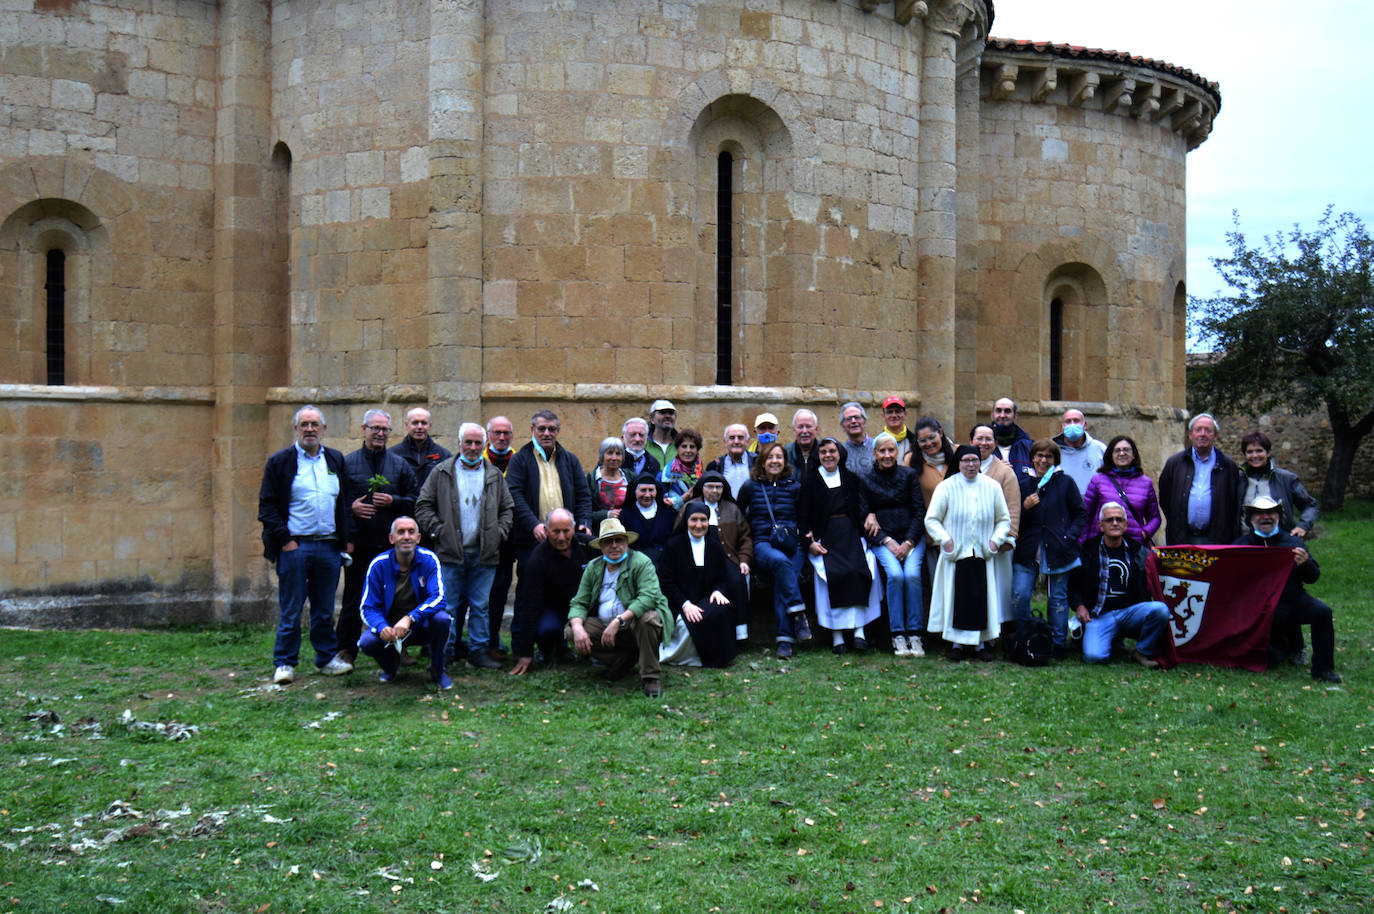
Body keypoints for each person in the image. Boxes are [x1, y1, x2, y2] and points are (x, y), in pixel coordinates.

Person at [257, 405, 355, 684]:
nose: (309, 429)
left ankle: (325, 659)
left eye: (315, 424)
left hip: (328, 548)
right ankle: (285, 663)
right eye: (304, 424)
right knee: (291, 608)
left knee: (324, 609)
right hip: (296, 548)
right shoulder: (280, 462)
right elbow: (267, 507)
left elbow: (344, 502)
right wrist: (285, 541)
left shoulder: (335, 460)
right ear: (296, 429)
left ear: (323, 430)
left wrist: (346, 539)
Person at [414, 422, 513, 670]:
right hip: (449, 554)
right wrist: (438, 531)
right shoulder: (441, 472)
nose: (472, 447)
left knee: (481, 606)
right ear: (458, 444)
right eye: (468, 442)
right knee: (447, 607)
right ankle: (445, 650)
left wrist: (498, 533)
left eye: (478, 443)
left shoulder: (493, 476)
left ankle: (478, 652)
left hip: (484, 554)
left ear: (484, 444)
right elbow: (423, 505)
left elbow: (507, 509)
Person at [506, 409, 594, 661]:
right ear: (532, 430)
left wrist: (584, 522)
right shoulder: (520, 460)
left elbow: (583, 494)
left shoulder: (569, 459)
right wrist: (533, 523)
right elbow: (515, 494)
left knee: (569, 593)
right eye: (542, 428)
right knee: (527, 596)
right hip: (531, 540)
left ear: (558, 431)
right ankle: (523, 649)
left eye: (552, 429)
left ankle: (562, 646)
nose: (547, 433)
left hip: (567, 539)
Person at [337, 408, 418, 670]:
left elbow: (415, 501)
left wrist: (394, 501)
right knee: (353, 597)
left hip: (390, 548)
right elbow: (336, 504)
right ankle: (345, 650)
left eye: (385, 429)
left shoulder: (399, 464)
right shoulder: (347, 464)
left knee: (397, 599)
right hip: (359, 544)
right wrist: (352, 508)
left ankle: (399, 648)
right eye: (375, 428)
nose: (380, 433)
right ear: (364, 429)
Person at [1232, 495, 1340, 683]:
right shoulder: (1241, 546)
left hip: (1291, 599)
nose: (1265, 517)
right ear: (1250, 518)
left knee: (1322, 612)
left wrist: (1305, 564)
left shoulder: (1293, 543)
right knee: (1272, 658)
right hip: (1257, 606)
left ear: (1278, 516)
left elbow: (1313, 577)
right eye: (1259, 514)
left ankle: (1323, 669)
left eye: (1270, 513)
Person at [566, 517, 671, 698]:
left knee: (649, 619)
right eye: (608, 541)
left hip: (633, 624)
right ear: (601, 546)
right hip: (606, 627)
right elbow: (579, 602)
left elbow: (648, 597)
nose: (614, 545)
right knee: (571, 631)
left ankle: (651, 677)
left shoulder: (641, 562)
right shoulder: (594, 567)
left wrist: (619, 620)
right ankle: (623, 660)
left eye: (619, 540)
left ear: (626, 542)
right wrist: (577, 627)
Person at [924, 445, 1011, 660]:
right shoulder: (946, 487)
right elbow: (932, 519)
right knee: (957, 599)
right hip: (956, 554)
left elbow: (1004, 520)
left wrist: (994, 541)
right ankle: (957, 644)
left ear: (980, 463)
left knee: (980, 598)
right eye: (966, 460)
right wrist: (946, 539)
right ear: (958, 463)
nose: (971, 465)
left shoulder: (991, 487)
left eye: (975, 460)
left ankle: (981, 644)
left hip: (982, 552)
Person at [801, 437, 882, 655]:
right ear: (818, 456)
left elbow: (865, 505)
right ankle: (837, 636)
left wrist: (870, 516)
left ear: (839, 454)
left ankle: (859, 631)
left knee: (859, 571)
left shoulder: (851, 478)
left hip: (851, 533)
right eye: (823, 452)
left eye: (832, 451)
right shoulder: (810, 482)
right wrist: (809, 543)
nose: (828, 455)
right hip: (824, 537)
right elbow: (803, 516)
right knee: (832, 575)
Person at [1067, 502, 1171, 668]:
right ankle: (1105, 638)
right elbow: (1073, 584)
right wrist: (1079, 606)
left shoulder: (1139, 551)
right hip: (1099, 615)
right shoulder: (1087, 550)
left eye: (1119, 519)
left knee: (1160, 610)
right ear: (1101, 526)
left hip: (1130, 613)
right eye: (1109, 520)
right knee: (1094, 657)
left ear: (1126, 524)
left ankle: (1141, 651)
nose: (1114, 523)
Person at [357, 517, 453, 689]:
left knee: (443, 620)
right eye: (401, 532)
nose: (406, 536)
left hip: (420, 624)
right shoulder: (378, 565)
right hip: (390, 627)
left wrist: (410, 618)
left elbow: (439, 598)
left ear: (418, 537)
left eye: (411, 532)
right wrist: (381, 627)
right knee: (366, 642)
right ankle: (391, 666)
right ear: (391, 538)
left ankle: (437, 670)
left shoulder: (429, 559)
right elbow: (367, 607)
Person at [1011, 439, 1086, 657]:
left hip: (1058, 550)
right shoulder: (1024, 485)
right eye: (1039, 456)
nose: (1043, 460)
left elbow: (1080, 514)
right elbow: (1014, 519)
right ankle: (1026, 638)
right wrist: (1025, 508)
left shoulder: (1065, 483)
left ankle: (1057, 643)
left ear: (1055, 460)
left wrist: (1069, 536)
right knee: (1020, 595)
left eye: (1048, 457)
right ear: (1032, 458)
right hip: (1028, 551)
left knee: (1058, 599)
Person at [739, 441, 810, 659]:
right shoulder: (750, 486)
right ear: (762, 461)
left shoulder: (794, 487)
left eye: (779, 457)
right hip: (763, 544)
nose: (775, 461)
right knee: (780, 563)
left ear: (785, 462)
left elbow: (804, 517)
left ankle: (785, 642)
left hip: (793, 544)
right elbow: (739, 514)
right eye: (770, 457)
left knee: (783, 582)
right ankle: (798, 612)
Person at [860, 432, 926, 656]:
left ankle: (915, 634)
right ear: (875, 453)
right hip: (883, 539)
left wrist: (908, 542)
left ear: (897, 453)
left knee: (912, 575)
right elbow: (863, 515)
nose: (887, 455)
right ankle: (897, 634)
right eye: (882, 451)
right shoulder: (866, 479)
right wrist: (887, 541)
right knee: (896, 576)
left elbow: (919, 510)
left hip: (912, 538)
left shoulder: (909, 475)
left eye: (891, 450)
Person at [510, 508, 595, 676]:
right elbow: (530, 605)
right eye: (556, 532)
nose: (562, 537)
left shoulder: (590, 546)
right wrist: (525, 652)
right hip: (554, 610)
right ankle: (549, 650)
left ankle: (594, 652)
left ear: (574, 528)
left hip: (586, 608)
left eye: (566, 531)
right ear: (546, 531)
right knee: (546, 629)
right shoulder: (537, 559)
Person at [658, 501, 742, 668]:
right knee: (686, 624)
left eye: (703, 520)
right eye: (693, 520)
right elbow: (666, 582)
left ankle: (718, 659)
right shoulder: (673, 546)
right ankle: (692, 657)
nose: (698, 525)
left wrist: (718, 591)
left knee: (723, 609)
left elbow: (722, 577)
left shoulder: (714, 546)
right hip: (679, 602)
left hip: (705, 599)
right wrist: (685, 604)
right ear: (686, 521)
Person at [971, 423, 1021, 641]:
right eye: (979, 438)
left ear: (995, 444)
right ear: (971, 441)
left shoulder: (1004, 471)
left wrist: (1009, 536)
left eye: (988, 439)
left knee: (996, 588)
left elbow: (1013, 506)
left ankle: (995, 632)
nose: (983, 443)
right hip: (969, 542)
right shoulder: (962, 465)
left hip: (996, 541)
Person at [1159, 413, 1240, 545]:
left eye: (1208, 430)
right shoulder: (1175, 463)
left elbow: (1233, 501)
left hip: (1216, 539)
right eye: (1198, 430)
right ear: (1190, 435)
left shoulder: (1227, 465)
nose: (1203, 434)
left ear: (1215, 436)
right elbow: (1165, 499)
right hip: (1182, 538)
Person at [1079, 435, 1161, 545]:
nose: (1122, 453)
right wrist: (1083, 544)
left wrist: (1144, 533)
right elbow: (1086, 516)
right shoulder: (1098, 481)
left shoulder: (1145, 483)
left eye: (1126, 450)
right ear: (1111, 455)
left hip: (1134, 545)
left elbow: (1155, 518)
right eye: (1117, 450)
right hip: (1101, 544)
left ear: (1133, 455)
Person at [1237, 430, 1319, 538]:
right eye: (1250, 452)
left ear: (1268, 452)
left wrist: (1303, 526)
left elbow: (1310, 505)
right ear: (1245, 454)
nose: (1255, 455)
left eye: (1259, 451)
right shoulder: (1237, 479)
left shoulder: (1286, 479)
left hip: (1280, 542)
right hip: (1246, 542)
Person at [481, 414, 517, 660]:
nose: (501, 437)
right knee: (473, 596)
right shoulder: (476, 459)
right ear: (488, 436)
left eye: (506, 433)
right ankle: (472, 643)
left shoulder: (519, 461)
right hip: (477, 542)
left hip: (506, 543)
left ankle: (492, 641)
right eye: (497, 433)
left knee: (498, 595)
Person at [620, 472, 677, 566]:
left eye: (651, 490)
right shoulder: (625, 515)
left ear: (656, 491)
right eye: (643, 490)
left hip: (663, 566)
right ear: (635, 491)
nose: (647, 495)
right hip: (634, 566)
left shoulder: (668, 513)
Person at [389, 407, 451, 490]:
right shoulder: (393, 454)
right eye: (415, 423)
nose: (419, 427)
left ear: (430, 425)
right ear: (406, 425)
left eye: (424, 423)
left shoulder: (443, 456)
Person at [1051, 408, 1106, 497]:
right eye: (1068, 421)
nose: (1072, 425)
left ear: (1084, 425)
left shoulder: (1100, 449)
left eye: (1076, 421)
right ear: (1062, 427)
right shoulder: (1052, 450)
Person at [588, 436, 631, 528]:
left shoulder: (630, 477)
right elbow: (585, 512)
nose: (614, 458)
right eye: (610, 453)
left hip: (625, 529)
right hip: (599, 530)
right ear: (602, 455)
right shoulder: (592, 479)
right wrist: (606, 515)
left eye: (618, 454)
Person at [705, 423, 755, 497]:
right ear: (725, 442)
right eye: (732, 438)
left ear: (747, 441)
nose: (736, 441)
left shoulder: (757, 462)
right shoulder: (715, 466)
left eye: (740, 437)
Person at [660, 427, 704, 510]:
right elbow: (661, 503)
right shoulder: (666, 474)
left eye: (692, 447)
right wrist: (684, 498)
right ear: (677, 449)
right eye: (684, 446)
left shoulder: (703, 474)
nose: (688, 451)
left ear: (697, 449)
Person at [990, 397, 1035, 477]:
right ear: (992, 415)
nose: (1002, 415)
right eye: (998, 411)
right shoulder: (982, 446)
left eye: (1007, 411)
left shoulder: (1029, 447)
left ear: (1015, 416)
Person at [838, 401, 874, 477]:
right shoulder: (840, 452)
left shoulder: (877, 447)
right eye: (848, 419)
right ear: (842, 426)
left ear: (865, 422)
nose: (853, 421)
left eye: (857, 417)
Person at [787, 408, 822, 480]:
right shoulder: (785, 454)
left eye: (808, 426)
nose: (804, 431)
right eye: (800, 427)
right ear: (794, 430)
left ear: (816, 429)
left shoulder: (824, 453)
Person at [880, 396, 914, 464]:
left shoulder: (915, 441)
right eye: (889, 412)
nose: (894, 415)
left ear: (905, 414)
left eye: (898, 411)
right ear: (883, 416)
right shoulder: (878, 443)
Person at [645, 399, 678, 469]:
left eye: (671, 413)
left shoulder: (682, 444)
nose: (668, 416)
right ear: (652, 419)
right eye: (663, 413)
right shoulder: (644, 444)